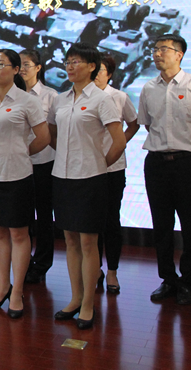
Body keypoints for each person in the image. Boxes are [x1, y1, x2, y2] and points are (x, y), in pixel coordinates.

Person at [48, 43, 126, 330]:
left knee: (88, 242)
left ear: (92, 66)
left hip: (91, 179)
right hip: (62, 176)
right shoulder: (60, 99)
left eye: (76, 62)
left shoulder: (102, 99)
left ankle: (89, 305)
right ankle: (75, 298)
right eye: (67, 62)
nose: (70, 67)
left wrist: (99, 165)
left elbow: (119, 141)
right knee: (69, 240)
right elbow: (52, 132)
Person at [138, 34, 191, 306]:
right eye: (155, 49)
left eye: (163, 49)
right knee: (161, 224)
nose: (157, 53)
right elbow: (148, 124)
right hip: (156, 163)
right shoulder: (148, 88)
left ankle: (187, 280)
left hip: (187, 164)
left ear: (179, 54)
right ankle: (168, 279)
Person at [0, 49, 49, 319]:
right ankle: (2, 286)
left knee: (18, 234)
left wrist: (20, 153)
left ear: (16, 70)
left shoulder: (28, 101)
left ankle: (17, 291)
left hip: (17, 175)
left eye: (2, 64)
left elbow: (43, 137)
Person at [94, 55, 139, 294]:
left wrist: (119, 143)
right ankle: (95, 269)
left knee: (111, 220)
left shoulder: (119, 97)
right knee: (91, 223)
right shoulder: (83, 97)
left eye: (101, 70)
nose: (96, 75)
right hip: (88, 169)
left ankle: (112, 270)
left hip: (112, 168)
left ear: (109, 74)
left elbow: (134, 124)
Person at [19, 49, 59, 284]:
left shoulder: (51, 96)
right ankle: (22, 262)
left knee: (44, 216)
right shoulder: (10, 94)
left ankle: (42, 263)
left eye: (27, 64)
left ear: (38, 67)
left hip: (43, 163)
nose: (22, 69)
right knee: (21, 217)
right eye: (19, 65)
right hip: (16, 165)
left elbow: (54, 133)